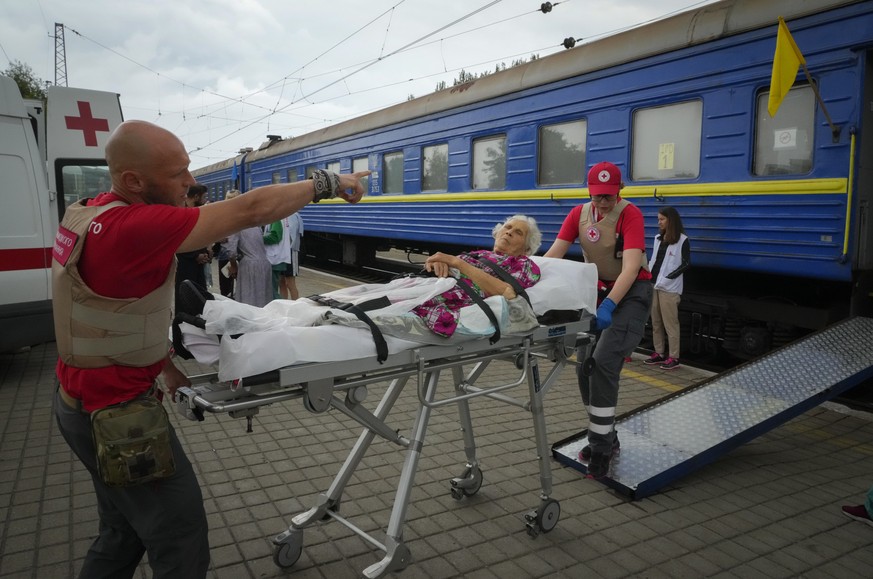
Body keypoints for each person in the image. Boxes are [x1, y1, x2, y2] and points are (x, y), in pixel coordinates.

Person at [51, 119, 368, 579]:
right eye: (178, 172)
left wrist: (165, 369)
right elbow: (251, 209)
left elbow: (109, 317)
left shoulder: (88, 212)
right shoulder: (136, 226)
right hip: (117, 417)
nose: (191, 182)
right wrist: (331, 182)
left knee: (123, 530)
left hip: (80, 402)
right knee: (180, 537)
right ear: (133, 181)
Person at [544, 161, 652, 479]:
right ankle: (606, 435)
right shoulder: (578, 214)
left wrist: (609, 307)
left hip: (631, 294)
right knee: (585, 368)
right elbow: (554, 254)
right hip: (600, 293)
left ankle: (602, 448)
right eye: (597, 196)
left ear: (619, 191)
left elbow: (631, 268)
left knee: (604, 364)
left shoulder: (630, 214)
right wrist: (524, 275)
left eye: (608, 196)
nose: (602, 202)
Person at [414, 214, 542, 337]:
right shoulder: (479, 254)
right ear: (497, 232)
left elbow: (507, 292)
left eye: (518, 232)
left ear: (527, 248)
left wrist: (457, 263)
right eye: (507, 227)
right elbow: (448, 264)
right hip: (429, 287)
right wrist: (437, 263)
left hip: (446, 302)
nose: (509, 232)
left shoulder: (525, 264)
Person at [645, 206, 690, 370]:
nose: (659, 222)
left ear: (670, 220)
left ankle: (674, 357)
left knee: (671, 323)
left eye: (662, 219)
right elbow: (654, 259)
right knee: (655, 321)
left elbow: (685, 263)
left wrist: (669, 278)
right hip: (654, 284)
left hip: (669, 289)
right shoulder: (658, 238)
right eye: (658, 219)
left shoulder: (682, 240)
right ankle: (659, 353)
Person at [174, 184, 211, 301]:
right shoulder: (180, 213)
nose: (205, 200)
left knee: (200, 296)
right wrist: (195, 255)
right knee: (186, 296)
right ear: (196, 197)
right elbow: (177, 241)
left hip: (198, 265)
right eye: (204, 197)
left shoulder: (199, 213)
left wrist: (206, 253)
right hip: (185, 264)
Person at [226, 221, 274, 308]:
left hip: (250, 265)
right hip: (265, 263)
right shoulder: (256, 227)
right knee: (263, 298)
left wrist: (233, 266)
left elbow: (231, 252)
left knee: (248, 297)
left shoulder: (237, 227)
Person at [264, 212, 304, 300]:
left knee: (290, 283)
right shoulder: (281, 216)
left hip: (290, 252)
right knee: (281, 283)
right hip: (281, 255)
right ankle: (283, 304)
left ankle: (295, 305)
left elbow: (291, 238)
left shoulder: (292, 216)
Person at [213, 189, 241, 298]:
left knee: (226, 286)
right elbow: (213, 232)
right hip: (231, 253)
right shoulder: (223, 215)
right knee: (228, 286)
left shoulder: (223, 215)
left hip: (233, 252)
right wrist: (218, 238)